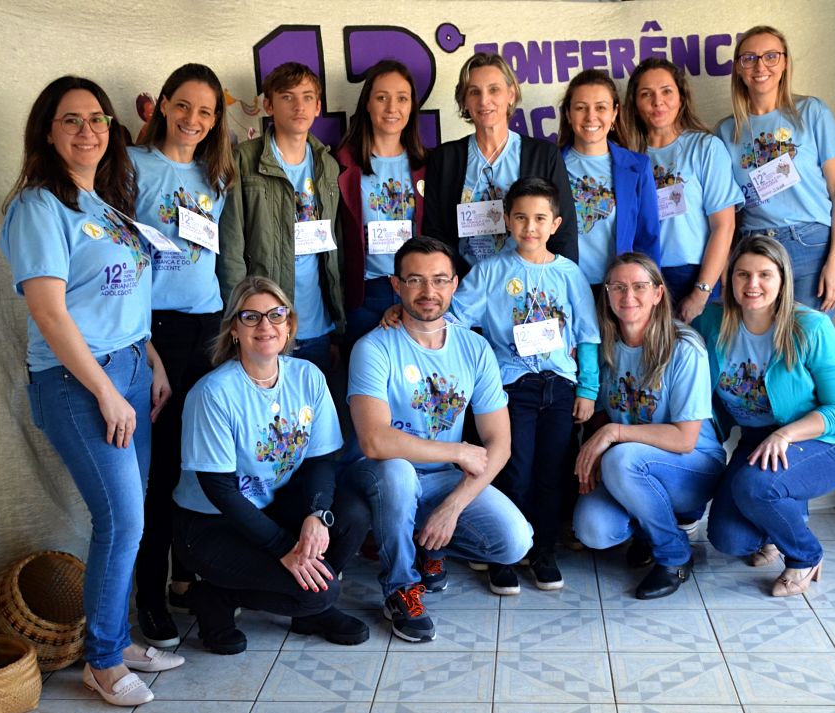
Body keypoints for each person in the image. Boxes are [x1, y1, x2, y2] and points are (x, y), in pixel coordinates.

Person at [0, 76, 181, 707]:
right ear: (47, 132)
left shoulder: (102, 203)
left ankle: (116, 639)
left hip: (130, 371)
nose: (87, 130)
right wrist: (106, 391)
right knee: (121, 519)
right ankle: (101, 663)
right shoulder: (38, 207)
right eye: (71, 120)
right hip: (78, 384)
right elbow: (50, 314)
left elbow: (120, 299)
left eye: (97, 119)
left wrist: (150, 359)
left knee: (130, 521)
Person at [342, 236, 532, 642]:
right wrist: (458, 450)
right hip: (378, 474)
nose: (429, 291)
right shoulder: (373, 348)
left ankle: (428, 543)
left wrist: (452, 507)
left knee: (515, 542)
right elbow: (375, 441)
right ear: (396, 285)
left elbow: (499, 443)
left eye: (440, 280)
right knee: (398, 473)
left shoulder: (475, 348)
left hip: (442, 478)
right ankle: (400, 587)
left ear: (455, 284)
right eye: (415, 280)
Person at [172, 276, 370, 654]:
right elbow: (220, 491)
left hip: (271, 507)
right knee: (321, 591)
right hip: (212, 525)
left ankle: (307, 608)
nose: (265, 326)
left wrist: (317, 514)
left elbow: (321, 460)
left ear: (289, 324)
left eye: (276, 315)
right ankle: (216, 595)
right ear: (234, 329)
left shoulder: (307, 375)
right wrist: (284, 548)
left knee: (353, 514)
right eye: (251, 317)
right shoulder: (214, 393)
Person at [448, 177, 600, 593]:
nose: (530, 227)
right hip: (511, 389)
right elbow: (453, 319)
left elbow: (588, 335)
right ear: (506, 220)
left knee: (552, 473)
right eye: (520, 218)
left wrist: (587, 390)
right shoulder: (490, 272)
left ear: (555, 224)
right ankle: (504, 553)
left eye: (539, 218)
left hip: (560, 389)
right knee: (513, 471)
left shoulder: (570, 274)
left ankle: (543, 551)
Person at [128, 62, 236, 649]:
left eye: (206, 111)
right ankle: (149, 595)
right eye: (184, 105)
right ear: (164, 104)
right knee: (160, 471)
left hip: (209, 328)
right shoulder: (130, 165)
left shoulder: (215, 174)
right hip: (155, 331)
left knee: (202, 464)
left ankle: (187, 579)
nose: (193, 119)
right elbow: (117, 258)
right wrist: (144, 346)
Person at [695, 236, 835, 597]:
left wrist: (784, 435)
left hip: (820, 441)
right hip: (756, 440)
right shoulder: (712, 322)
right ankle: (779, 518)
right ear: (729, 279)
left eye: (765, 275)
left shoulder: (812, 328)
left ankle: (805, 555)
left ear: (782, 280)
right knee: (729, 539)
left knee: (754, 487)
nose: (752, 284)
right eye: (743, 274)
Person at [571, 254, 724, 599]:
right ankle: (648, 530)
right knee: (593, 529)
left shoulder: (684, 347)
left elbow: (685, 439)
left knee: (621, 458)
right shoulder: (603, 348)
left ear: (657, 293)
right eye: (618, 287)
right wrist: (597, 446)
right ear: (607, 293)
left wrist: (613, 435)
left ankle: (674, 556)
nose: (628, 296)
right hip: (631, 466)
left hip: (693, 465)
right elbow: (601, 413)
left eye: (640, 286)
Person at [716, 25, 835, 313]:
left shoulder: (812, 112)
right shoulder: (726, 131)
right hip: (754, 251)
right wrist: (727, 260)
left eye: (771, 56)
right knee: (761, 339)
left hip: (811, 246)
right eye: (749, 58)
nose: (760, 66)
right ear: (738, 68)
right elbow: (727, 210)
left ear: (785, 62)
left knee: (806, 338)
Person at [218, 62, 343, 373]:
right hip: (265, 328)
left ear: (318, 107)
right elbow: (231, 248)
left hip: (317, 324)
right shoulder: (243, 160)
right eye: (287, 97)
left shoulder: (327, 164)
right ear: (269, 105)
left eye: (307, 97)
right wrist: (239, 319)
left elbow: (335, 246)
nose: (299, 106)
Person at [423, 52, 577, 271]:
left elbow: (564, 232)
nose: (484, 100)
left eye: (494, 89)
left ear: (511, 95)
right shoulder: (444, 159)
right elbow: (435, 235)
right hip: (466, 283)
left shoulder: (544, 156)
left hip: (529, 281)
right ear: (464, 101)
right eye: (474, 92)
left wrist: (560, 281)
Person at [622, 58, 743, 323]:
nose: (658, 102)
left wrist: (701, 292)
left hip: (695, 276)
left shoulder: (705, 148)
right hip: (644, 278)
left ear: (681, 97)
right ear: (635, 103)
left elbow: (724, 226)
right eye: (646, 94)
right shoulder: (626, 157)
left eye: (666, 91)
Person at [335, 60, 426, 352]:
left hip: (416, 289)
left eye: (402, 98)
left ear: (412, 106)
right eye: (382, 97)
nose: (392, 108)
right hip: (365, 292)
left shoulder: (428, 165)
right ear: (367, 104)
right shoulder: (341, 163)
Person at [557, 69, 660, 286]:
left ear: (614, 113)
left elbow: (647, 239)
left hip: (619, 290)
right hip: (563, 288)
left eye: (601, 107)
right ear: (568, 114)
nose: (590, 116)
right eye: (581, 107)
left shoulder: (637, 167)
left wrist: (646, 290)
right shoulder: (549, 165)